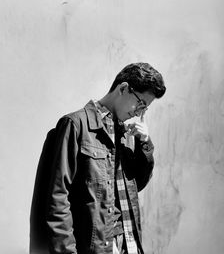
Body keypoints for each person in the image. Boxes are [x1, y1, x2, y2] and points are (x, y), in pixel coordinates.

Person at [30, 63, 166, 254]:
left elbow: (135, 187)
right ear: (124, 88)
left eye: (145, 109)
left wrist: (145, 145)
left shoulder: (126, 135)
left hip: (127, 244)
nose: (139, 113)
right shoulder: (76, 125)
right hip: (95, 247)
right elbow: (57, 200)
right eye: (140, 103)